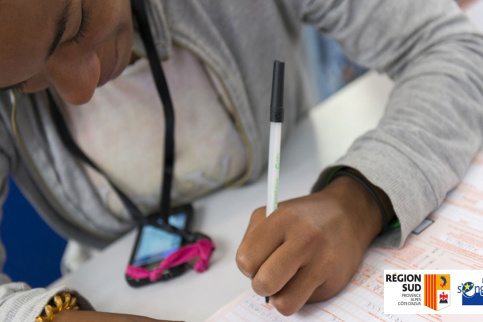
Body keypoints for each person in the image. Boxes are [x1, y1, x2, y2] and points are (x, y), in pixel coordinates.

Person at [0, 0, 482, 320]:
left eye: (77, 25)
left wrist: (360, 196)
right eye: (21, 81)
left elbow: (454, 48)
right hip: (112, 283)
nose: (80, 89)